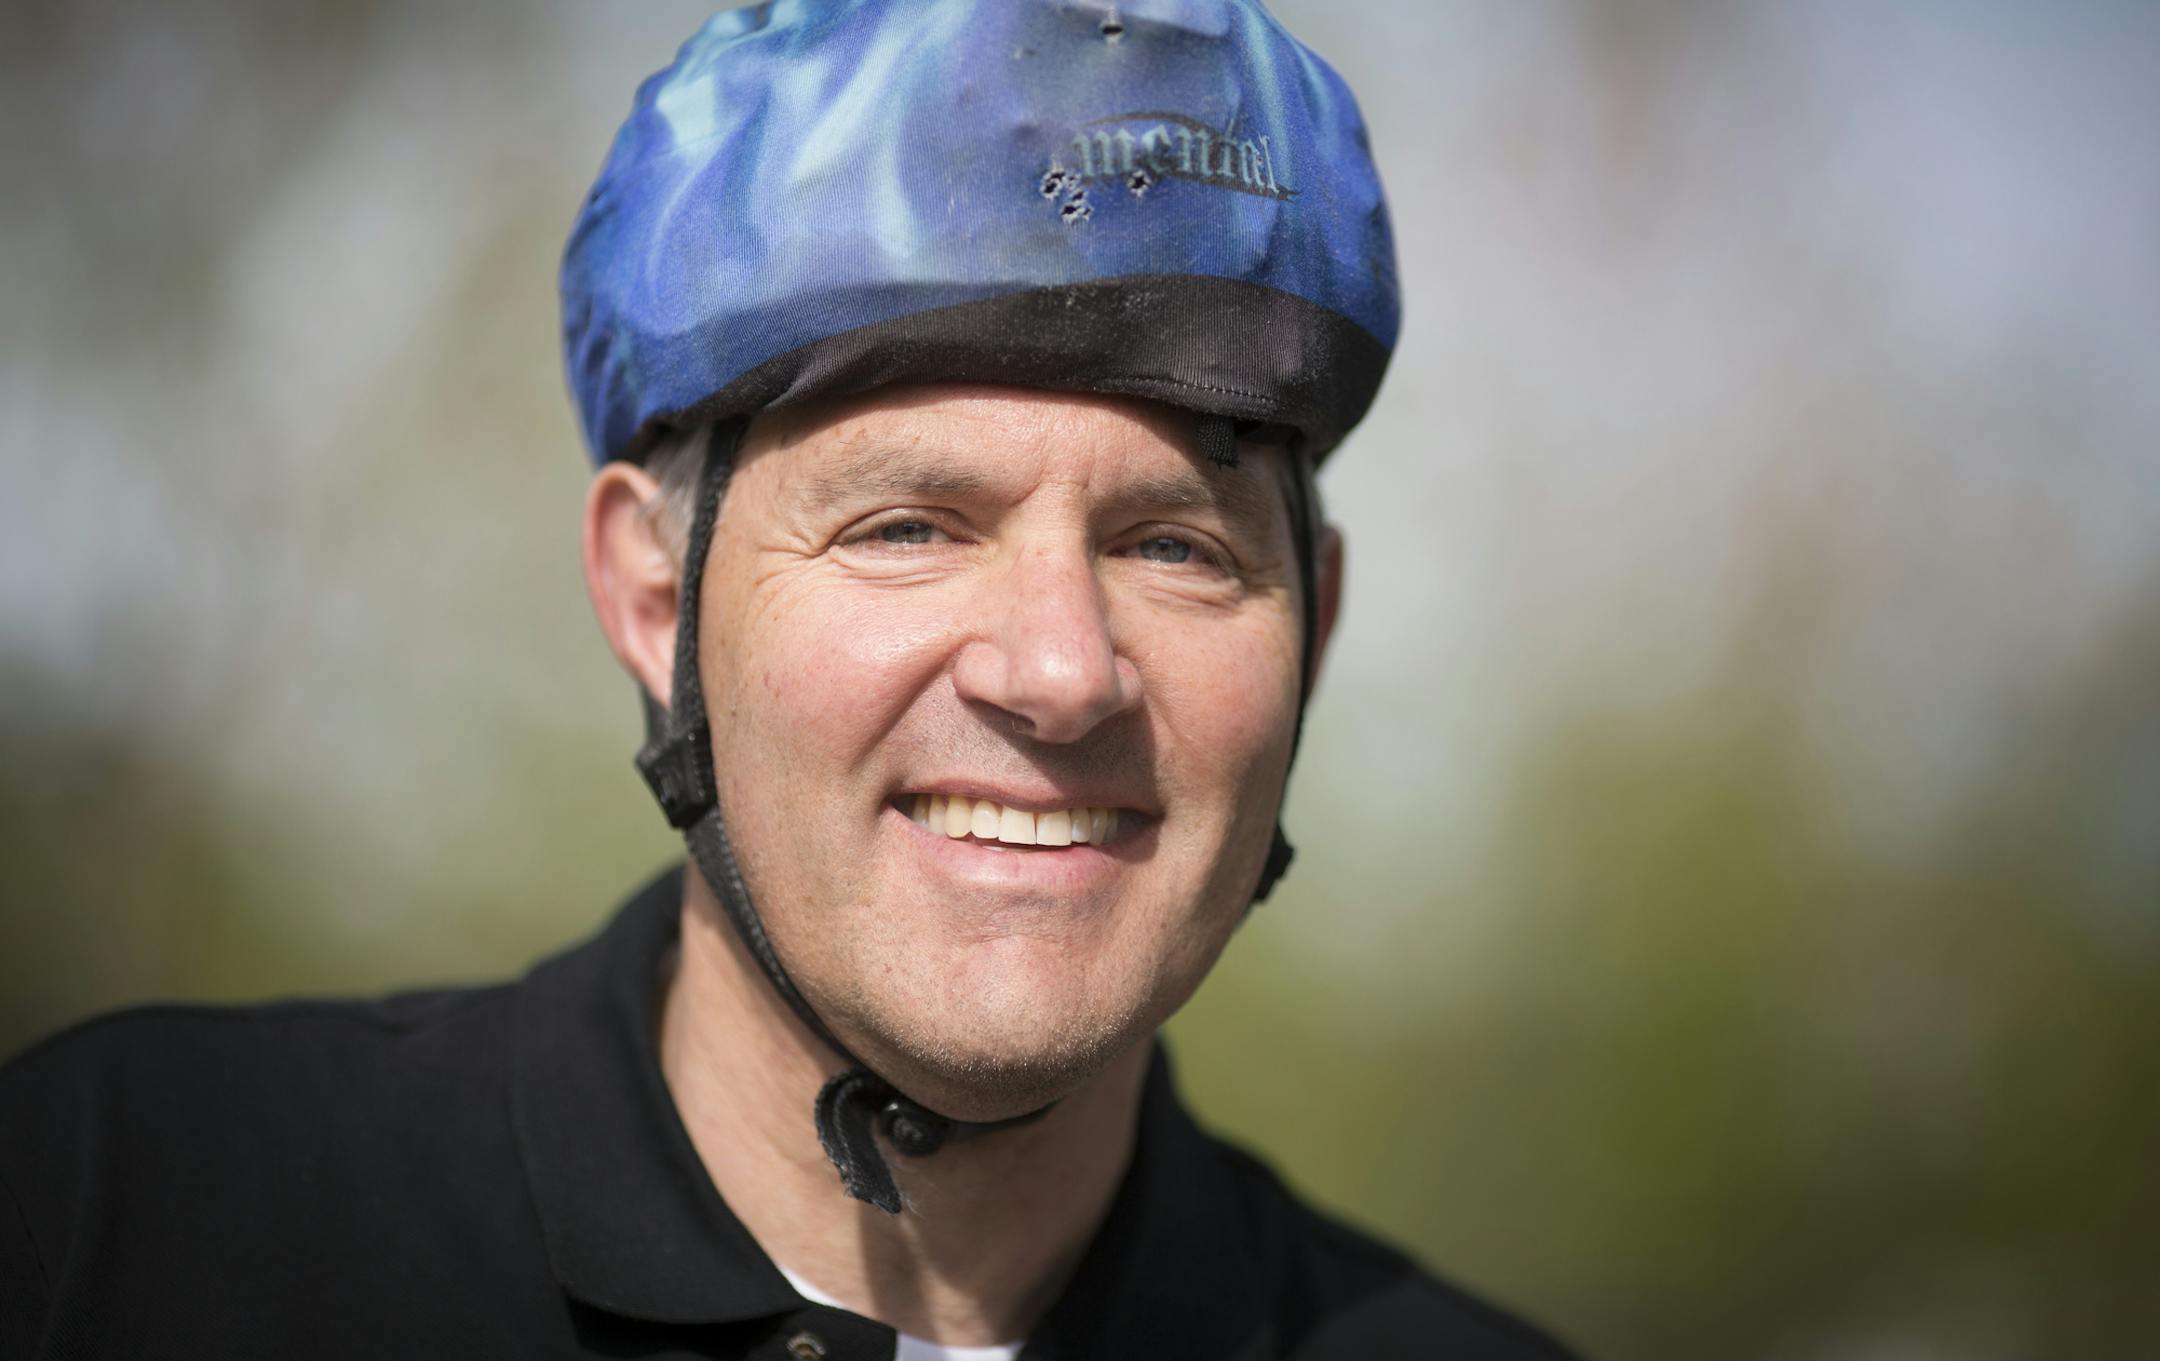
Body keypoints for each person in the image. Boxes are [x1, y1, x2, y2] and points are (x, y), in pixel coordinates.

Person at [0, 3, 1579, 1357]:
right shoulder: (114, 1221)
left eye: (1174, 546)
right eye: (908, 528)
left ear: (1316, 628)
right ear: (653, 596)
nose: (1059, 669)